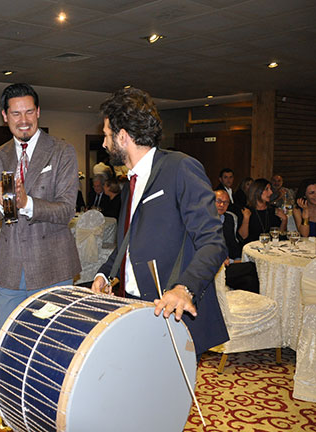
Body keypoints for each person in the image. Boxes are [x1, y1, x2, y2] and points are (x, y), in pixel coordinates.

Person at [90, 87, 228, 358]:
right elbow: (128, 241)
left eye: (106, 135)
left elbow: (213, 242)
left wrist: (184, 288)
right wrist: (104, 274)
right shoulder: (129, 184)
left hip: (172, 312)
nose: (104, 144)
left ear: (122, 136)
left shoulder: (180, 168)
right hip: (135, 310)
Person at [0, 83, 81, 333]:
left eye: (29, 112)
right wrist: (0, 202)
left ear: (38, 112)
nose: (23, 120)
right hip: (10, 269)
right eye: (16, 113)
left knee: (52, 341)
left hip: (52, 267)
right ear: (5, 116)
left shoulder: (62, 151)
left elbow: (66, 210)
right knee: (8, 341)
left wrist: (26, 203)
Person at [215, 190, 259, 293]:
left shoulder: (230, 218)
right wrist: (233, 261)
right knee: (253, 267)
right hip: (218, 267)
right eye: (218, 201)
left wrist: (238, 259)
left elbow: (235, 241)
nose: (222, 205)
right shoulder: (204, 221)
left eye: (226, 202)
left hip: (232, 263)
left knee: (250, 281)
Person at [239, 178, 288, 245]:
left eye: (270, 189)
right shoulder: (246, 211)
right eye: (267, 189)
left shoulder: (272, 210)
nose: (271, 192)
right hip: (252, 247)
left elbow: (280, 235)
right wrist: (246, 219)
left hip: (270, 247)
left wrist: (284, 220)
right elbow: (243, 237)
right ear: (257, 191)